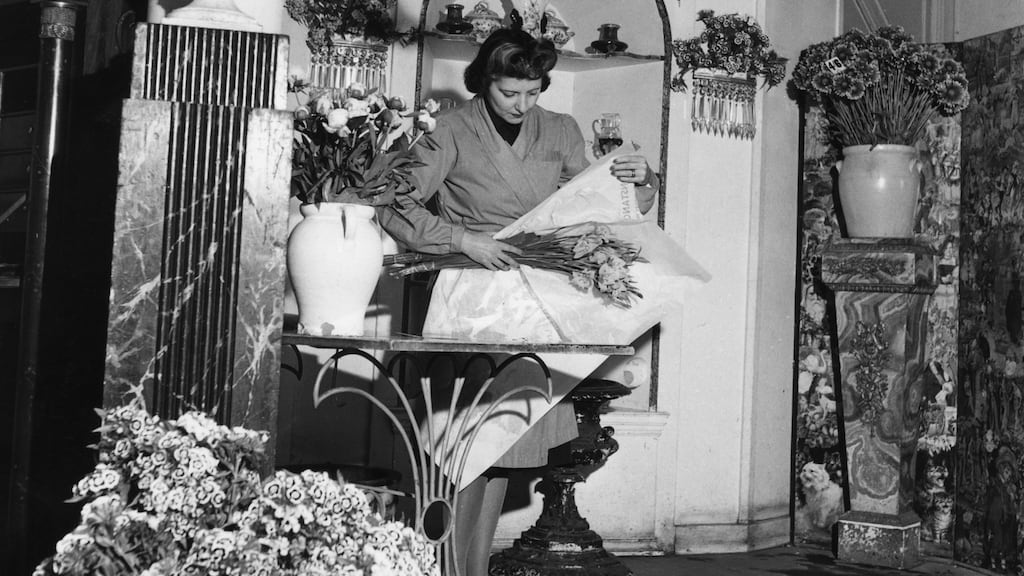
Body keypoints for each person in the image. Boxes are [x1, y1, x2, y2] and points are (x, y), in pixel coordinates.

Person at [378, 27, 659, 575]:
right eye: (510, 92)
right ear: (484, 80)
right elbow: (393, 202)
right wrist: (464, 240)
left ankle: (472, 570)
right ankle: (443, 570)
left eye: (533, 92)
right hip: (470, 301)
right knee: (461, 453)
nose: (522, 104)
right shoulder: (450, 131)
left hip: (533, 304)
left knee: (505, 454)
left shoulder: (559, 129)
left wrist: (641, 179)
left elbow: (597, 204)